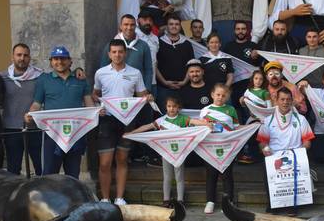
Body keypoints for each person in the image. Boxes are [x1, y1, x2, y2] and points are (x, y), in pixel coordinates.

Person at [93, 39, 154, 205]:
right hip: (107, 120)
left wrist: (147, 97)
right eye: (114, 52)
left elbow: (141, 94)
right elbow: (95, 94)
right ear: (109, 54)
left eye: (120, 52)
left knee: (122, 159)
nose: (117, 55)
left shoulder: (135, 73)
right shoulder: (100, 73)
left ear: (125, 53)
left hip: (127, 120)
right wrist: (98, 106)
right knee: (105, 162)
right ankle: (105, 199)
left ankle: (120, 198)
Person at [26, 46, 94, 178]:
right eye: (56, 59)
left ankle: (72, 199)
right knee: (49, 175)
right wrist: (30, 114)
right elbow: (36, 104)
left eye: (63, 59)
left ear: (70, 61)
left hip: (75, 133)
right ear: (51, 62)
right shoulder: (43, 80)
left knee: (73, 175)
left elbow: (89, 103)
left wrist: (97, 112)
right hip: (51, 134)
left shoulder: (80, 79)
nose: (59, 62)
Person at [129, 96, 205, 207]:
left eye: (174, 106)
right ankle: (166, 200)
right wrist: (132, 133)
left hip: (179, 153)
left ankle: (180, 201)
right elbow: (147, 127)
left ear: (179, 107)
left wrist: (207, 124)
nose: (171, 109)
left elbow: (195, 122)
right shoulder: (161, 120)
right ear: (166, 107)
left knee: (179, 177)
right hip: (166, 153)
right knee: (167, 177)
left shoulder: (183, 119)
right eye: (169, 106)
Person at [257, 87, 315, 215]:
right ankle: (272, 203)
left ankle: (292, 204)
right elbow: (262, 142)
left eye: (288, 99)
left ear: (292, 101)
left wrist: (300, 154)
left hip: (294, 154)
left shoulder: (301, 119)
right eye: (282, 99)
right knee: (266, 166)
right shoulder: (268, 120)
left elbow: (307, 142)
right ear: (276, 100)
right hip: (274, 155)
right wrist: (265, 149)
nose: (285, 102)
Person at [0, 43, 43, 175]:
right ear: (12, 57)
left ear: (29, 58)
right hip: (11, 129)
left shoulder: (40, 77)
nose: (22, 58)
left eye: (25, 55)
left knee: (41, 168)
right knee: (13, 169)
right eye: (19, 55)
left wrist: (77, 70)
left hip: (35, 128)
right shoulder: (1, 78)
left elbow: (58, 76)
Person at [200, 84, 239, 214]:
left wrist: (253, 126)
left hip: (227, 148)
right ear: (212, 94)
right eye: (218, 94)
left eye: (223, 95)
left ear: (227, 96)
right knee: (211, 175)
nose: (220, 97)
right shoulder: (205, 110)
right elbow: (200, 130)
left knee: (227, 175)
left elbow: (236, 128)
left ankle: (228, 202)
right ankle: (210, 201)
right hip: (210, 148)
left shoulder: (231, 110)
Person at [100, 14, 153, 90]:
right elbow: (103, 67)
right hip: (115, 89)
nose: (129, 27)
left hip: (137, 90)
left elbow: (148, 70)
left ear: (135, 26)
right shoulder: (111, 45)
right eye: (126, 24)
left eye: (132, 25)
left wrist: (147, 89)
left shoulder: (144, 46)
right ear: (120, 26)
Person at [156, 15, 195, 111]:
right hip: (163, 88)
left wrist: (184, 82)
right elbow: (154, 65)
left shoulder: (187, 44)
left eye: (177, 24)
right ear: (167, 26)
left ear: (180, 26)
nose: (174, 26)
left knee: (183, 115)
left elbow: (191, 66)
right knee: (165, 116)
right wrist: (164, 82)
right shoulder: (158, 42)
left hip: (183, 87)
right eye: (171, 24)